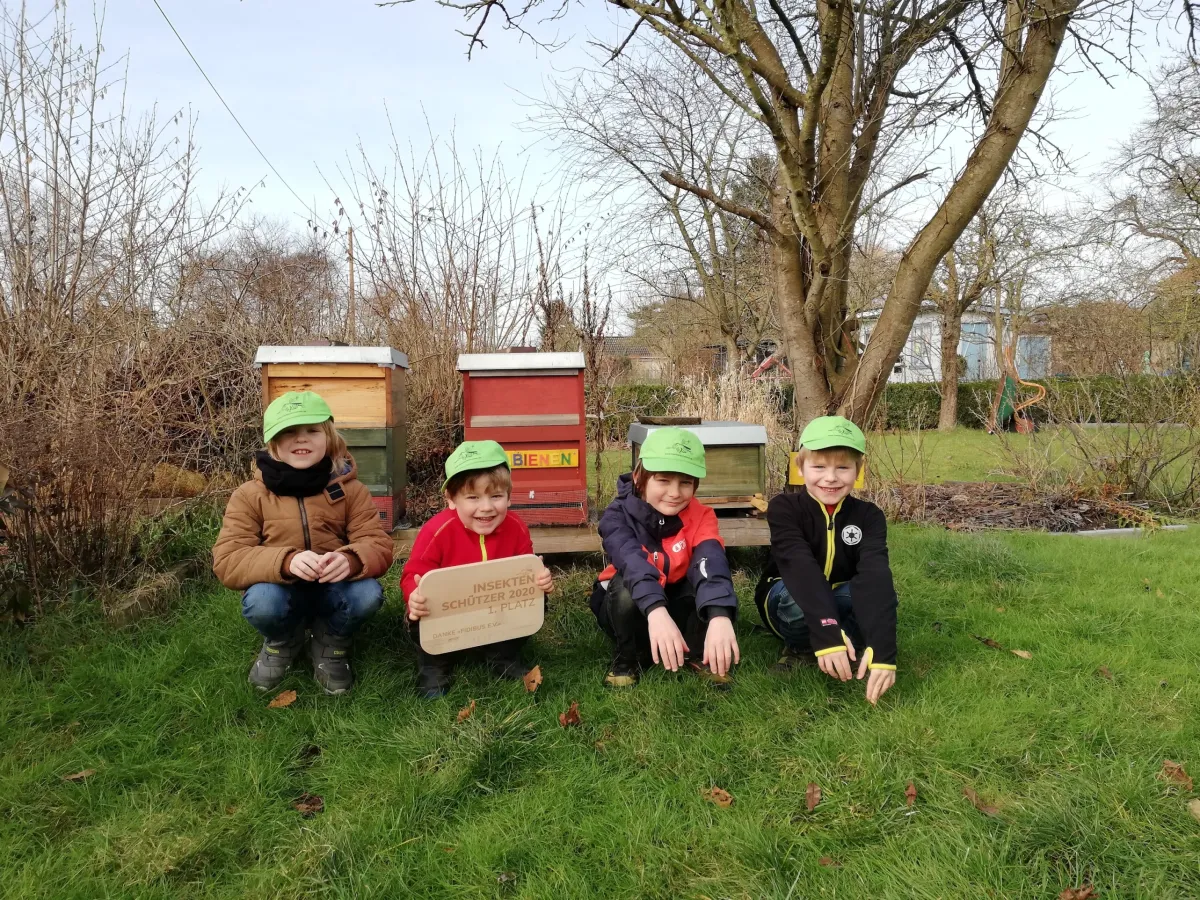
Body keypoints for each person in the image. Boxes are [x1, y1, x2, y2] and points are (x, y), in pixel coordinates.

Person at [213, 391, 393, 695]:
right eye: (289, 432)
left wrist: (351, 560)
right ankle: (283, 641)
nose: (302, 440)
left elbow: (378, 544)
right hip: (282, 592)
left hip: (333, 589)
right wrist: (285, 562)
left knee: (368, 593)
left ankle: (331, 643)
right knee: (263, 603)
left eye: (312, 431)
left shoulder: (352, 490)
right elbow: (228, 559)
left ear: (329, 438)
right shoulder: (249, 495)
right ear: (273, 443)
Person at [755, 416, 898, 705]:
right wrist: (826, 631)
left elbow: (874, 575)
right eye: (819, 466)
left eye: (842, 467)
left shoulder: (869, 516)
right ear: (800, 467)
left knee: (879, 594)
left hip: (838, 595)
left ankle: (851, 645)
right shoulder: (784, 508)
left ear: (858, 470)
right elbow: (800, 567)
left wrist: (883, 650)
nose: (830, 478)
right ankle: (801, 648)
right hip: (786, 595)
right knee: (797, 600)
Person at [401, 440, 555, 699]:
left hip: (493, 607)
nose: (486, 507)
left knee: (535, 599)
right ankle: (435, 665)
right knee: (423, 608)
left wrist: (540, 581)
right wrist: (413, 595)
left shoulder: (516, 527)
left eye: (496, 496)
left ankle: (502, 656)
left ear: (508, 496)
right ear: (451, 499)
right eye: (473, 498)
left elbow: (526, 568)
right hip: (450, 612)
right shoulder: (436, 531)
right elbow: (412, 573)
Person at [589, 427, 740, 688]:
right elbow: (633, 563)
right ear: (639, 478)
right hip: (628, 605)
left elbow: (711, 562)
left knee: (703, 576)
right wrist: (657, 612)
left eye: (685, 482)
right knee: (624, 585)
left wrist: (720, 615)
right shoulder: (616, 515)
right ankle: (627, 657)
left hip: (674, 601)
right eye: (663, 480)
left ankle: (698, 652)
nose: (674, 493)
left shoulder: (702, 515)